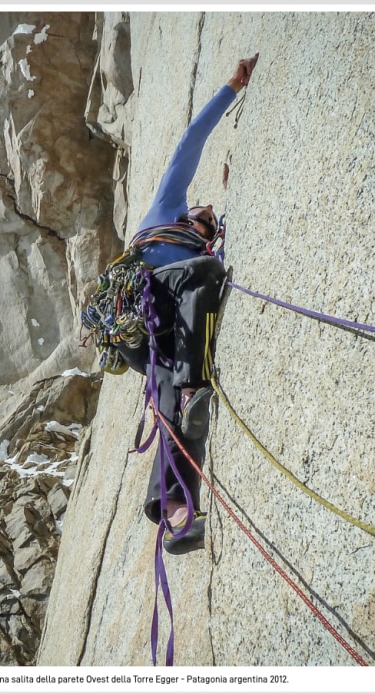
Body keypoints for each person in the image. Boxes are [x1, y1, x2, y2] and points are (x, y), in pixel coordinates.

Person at [115, 54, 259, 554]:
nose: (208, 219)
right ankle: (195, 387)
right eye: (208, 214)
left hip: (156, 337)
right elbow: (189, 145)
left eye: (212, 222)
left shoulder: (198, 245)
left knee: (173, 407)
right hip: (152, 295)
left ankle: (176, 516)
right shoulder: (166, 211)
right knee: (204, 274)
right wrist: (231, 89)